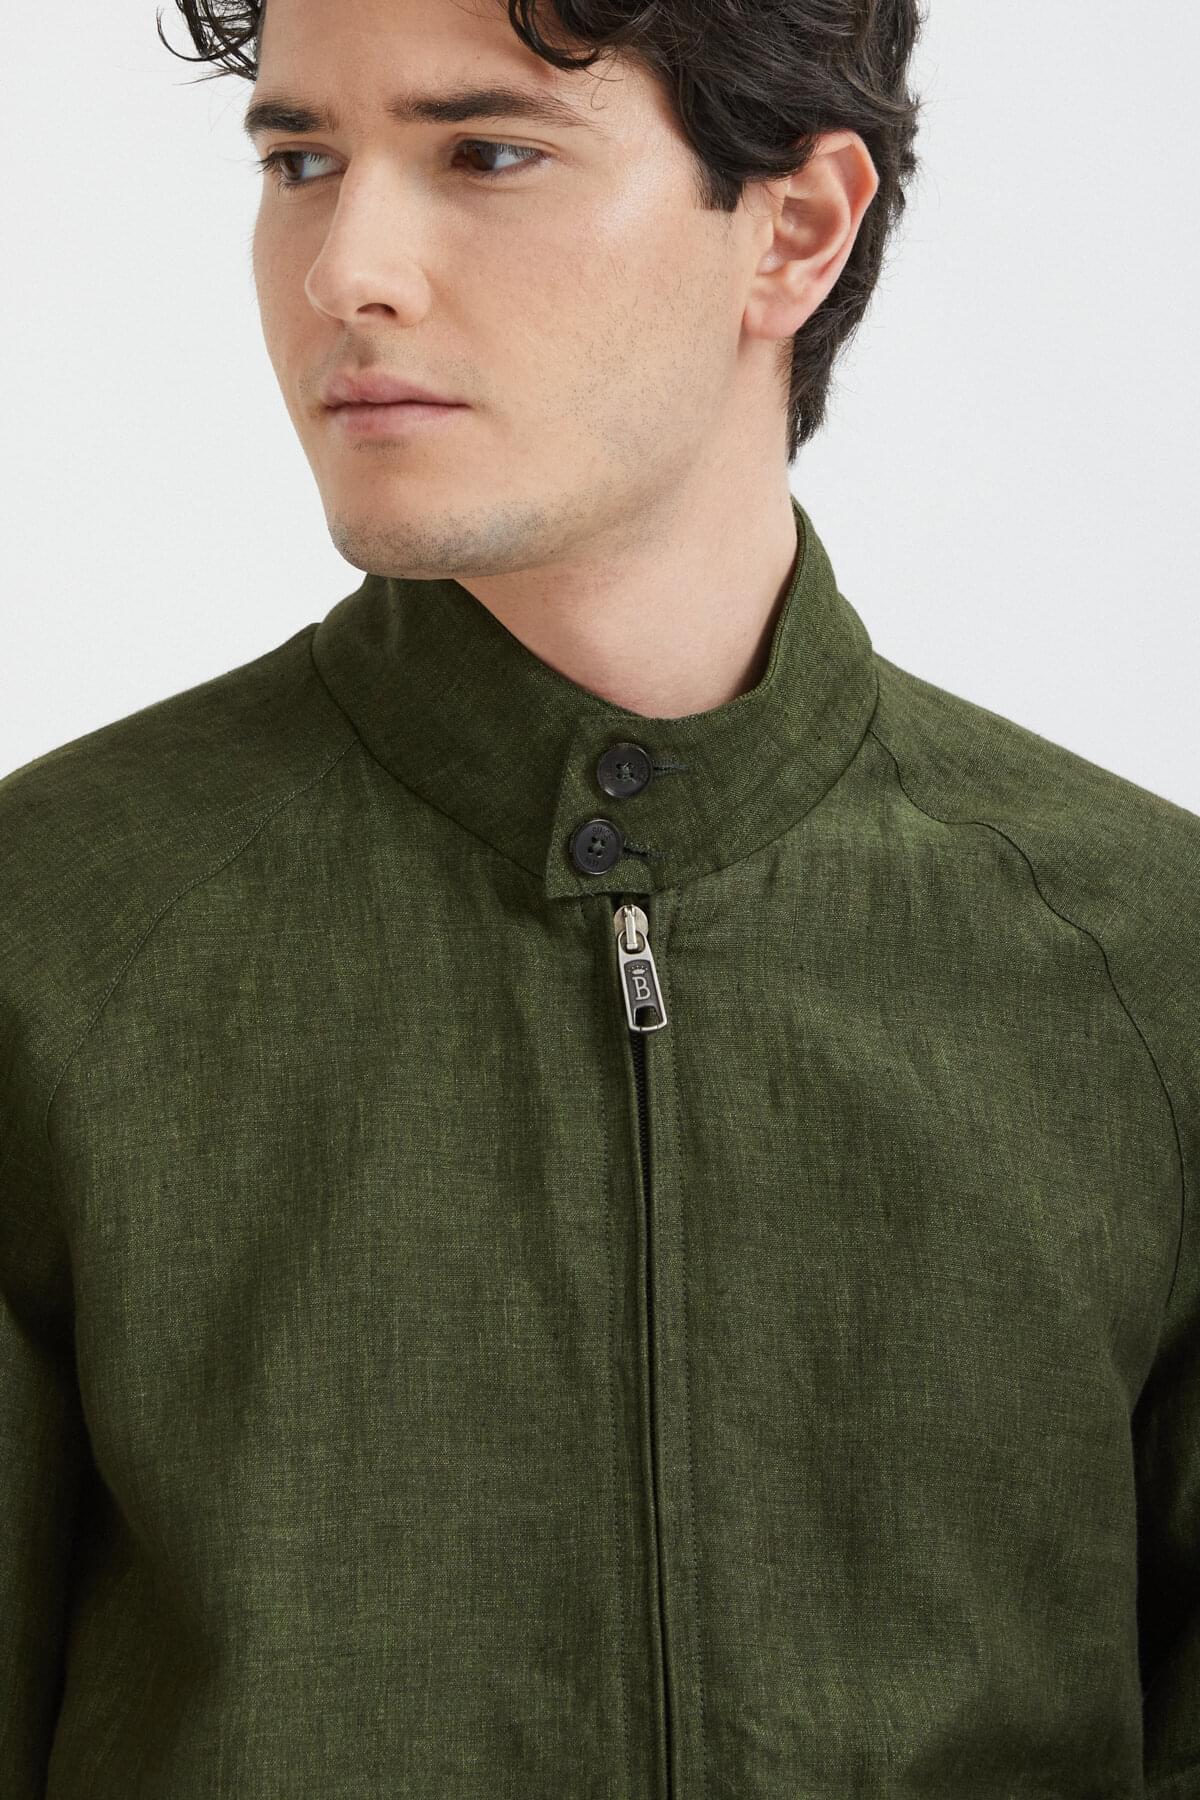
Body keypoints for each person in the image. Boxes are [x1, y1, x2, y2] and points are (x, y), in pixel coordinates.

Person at [2, 0, 1196, 1793]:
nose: (345, 270)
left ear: (795, 226)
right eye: (301, 159)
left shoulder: (1148, 966)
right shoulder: (49, 942)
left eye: (487, 152)